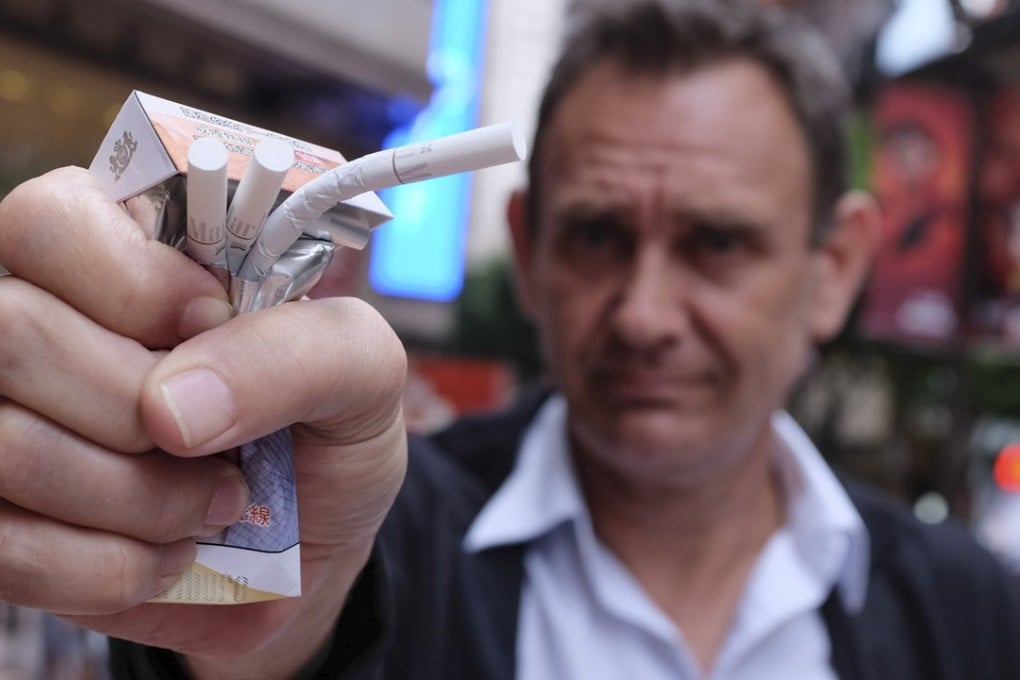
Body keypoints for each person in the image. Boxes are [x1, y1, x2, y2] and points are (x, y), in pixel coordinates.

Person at [0, 1, 1017, 679]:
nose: (644, 313)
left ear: (834, 266)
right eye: (597, 236)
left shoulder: (971, 614)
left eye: (717, 244)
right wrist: (255, 617)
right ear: (527, 249)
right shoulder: (380, 531)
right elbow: (297, 623)